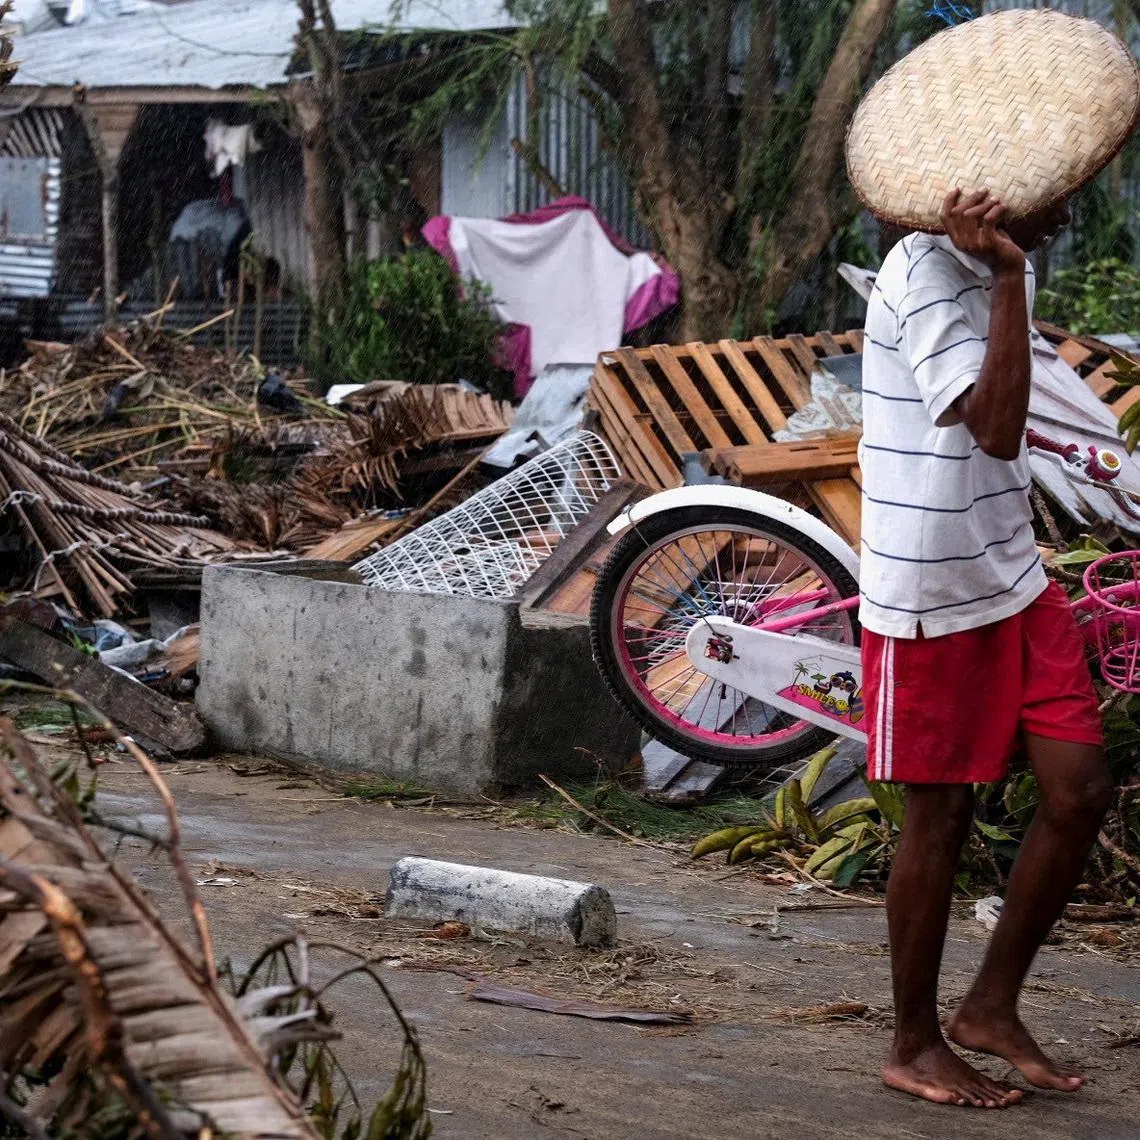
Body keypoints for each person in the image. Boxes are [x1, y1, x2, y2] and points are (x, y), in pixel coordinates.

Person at [860, 189, 1113, 1109]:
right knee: (941, 816)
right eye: (1052, 203)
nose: (1064, 220)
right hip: (927, 588)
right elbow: (996, 424)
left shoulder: (1009, 264)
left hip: (1009, 570)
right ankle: (914, 1041)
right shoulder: (924, 272)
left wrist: (1012, 273)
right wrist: (1010, 278)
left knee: (1081, 788)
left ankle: (991, 1005)